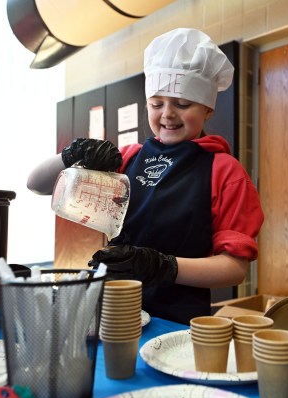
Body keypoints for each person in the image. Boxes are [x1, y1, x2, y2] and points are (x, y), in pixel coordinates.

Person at [27, 28, 264, 324]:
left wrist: (161, 267)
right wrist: (71, 154)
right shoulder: (128, 158)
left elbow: (234, 268)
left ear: (208, 109)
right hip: (114, 310)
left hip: (178, 324)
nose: (167, 114)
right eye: (157, 104)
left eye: (182, 104)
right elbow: (36, 184)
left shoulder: (225, 171)